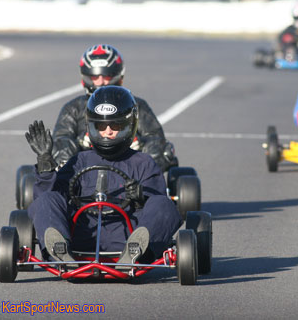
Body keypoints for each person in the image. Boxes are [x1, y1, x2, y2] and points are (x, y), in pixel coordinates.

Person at [26, 86, 182, 264]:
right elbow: (48, 198)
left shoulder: (143, 163)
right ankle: (60, 250)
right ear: (91, 126)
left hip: (127, 238)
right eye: (101, 126)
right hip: (81, 238)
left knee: (164, 203)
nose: (107, 132)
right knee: (47, 200)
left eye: (115, 125)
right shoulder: (80, 160)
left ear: (129, 126)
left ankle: (137, 252)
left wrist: (140, 199)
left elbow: (157, 207)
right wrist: (45, 163)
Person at [51, 44, 177, 172]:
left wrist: (137, 144)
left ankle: (146, 182)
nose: (100, 82)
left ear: (118, 76)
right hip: (84, 172)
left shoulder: (136, 105)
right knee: (57, 149)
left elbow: (155, 137)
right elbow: (61, 139)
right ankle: (68, 182)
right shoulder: (73, 108)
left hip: (130, 171)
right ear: (86, 77)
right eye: (95, 77)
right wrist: (82, 141)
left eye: (106, 76)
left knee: (164, 151)